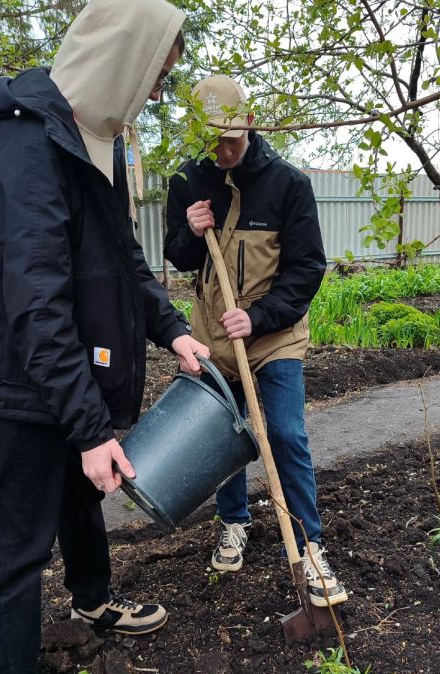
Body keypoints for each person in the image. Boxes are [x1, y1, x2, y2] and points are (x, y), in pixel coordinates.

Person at [0, 2, 208, 674]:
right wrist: (90, 427)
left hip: (64, 374)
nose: (156, 92)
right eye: (154, 76)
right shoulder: (22, 146)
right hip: (19, 380)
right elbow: (37, 302)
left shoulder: (96, 138)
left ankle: (93, 601)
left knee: (80, 497)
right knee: (17, 534)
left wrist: (173, 329)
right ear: (123, 61)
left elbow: (122, 255)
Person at [164, 75, 347, 609]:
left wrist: (260, 317)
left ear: (249, 123)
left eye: (231, 138)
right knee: (225, 440)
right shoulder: (187, 181)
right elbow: (178, 259)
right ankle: (234, 522)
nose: (222, 150)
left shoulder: (287, 184)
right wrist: (190, 234)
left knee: (286, 434)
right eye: (211, 139)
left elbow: (308, 265)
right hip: (212, 338)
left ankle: (311, 546)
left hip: (275, 337)